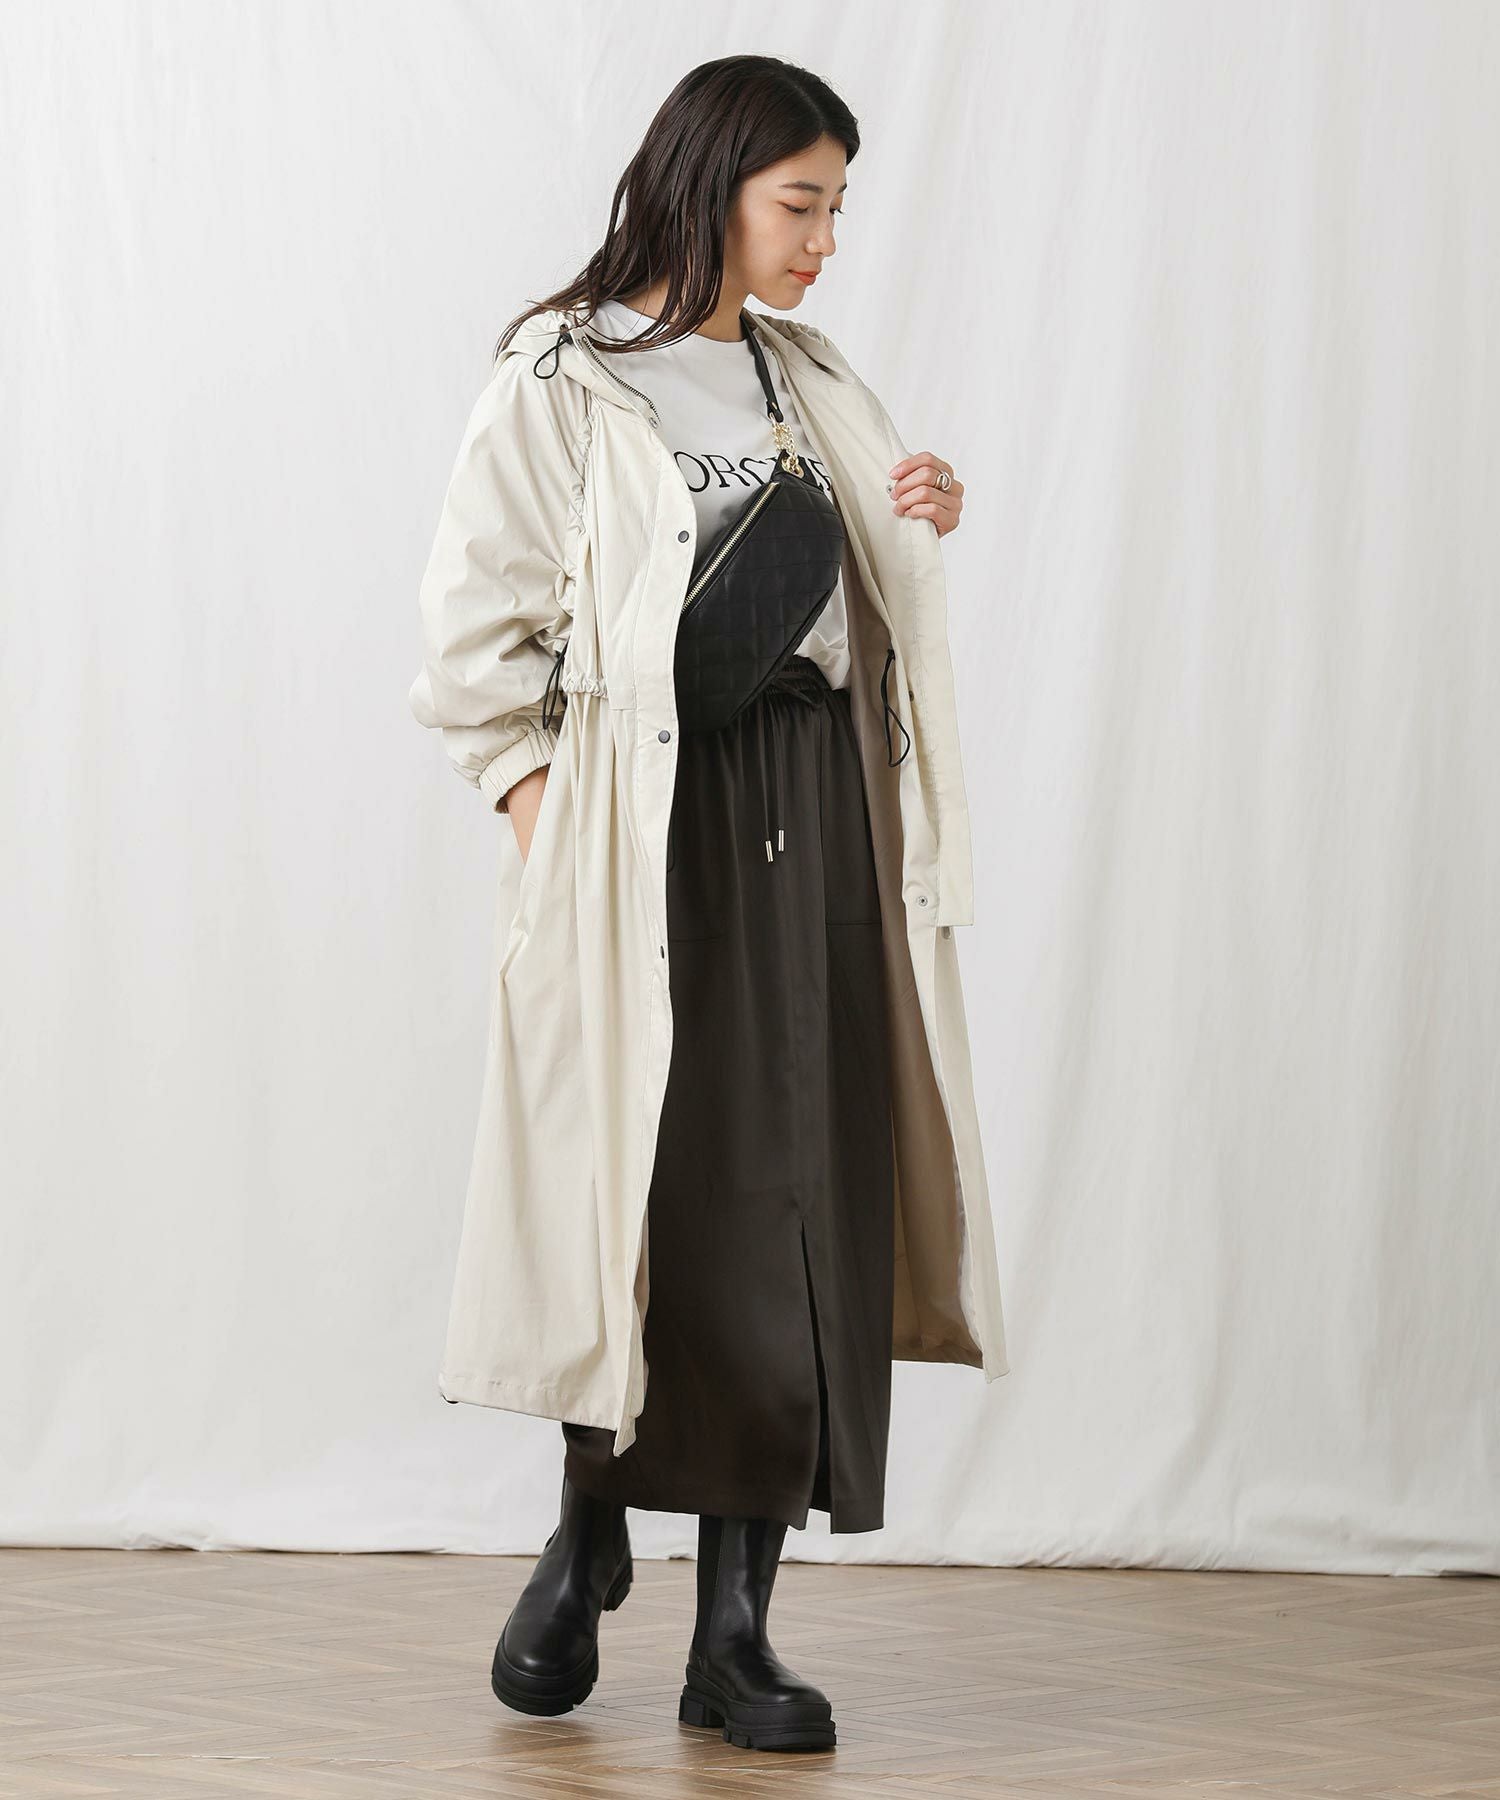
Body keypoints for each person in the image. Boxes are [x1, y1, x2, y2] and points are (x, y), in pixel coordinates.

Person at [409, 53, 1007, 1756]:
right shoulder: (565, 376)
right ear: (712, 183)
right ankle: (590, 1529)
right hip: (648, 830)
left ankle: (733, 1637)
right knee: (650, 1191)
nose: (825, 241)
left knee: (803, 1195)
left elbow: (840, 588)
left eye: (838, 208)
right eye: (799, 202)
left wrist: (920, 514)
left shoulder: (807, 374)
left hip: (820, 806)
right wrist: (559, 835)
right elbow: (472, 648)